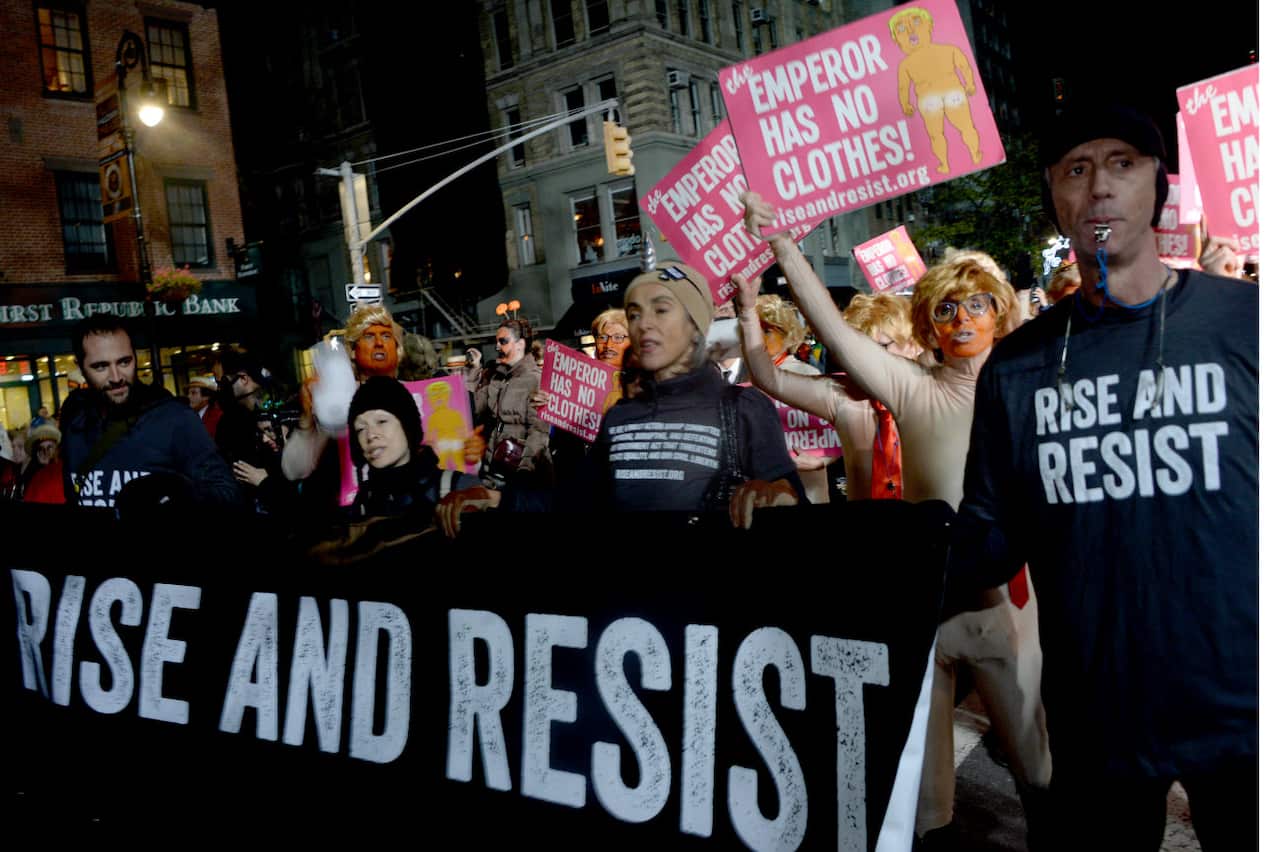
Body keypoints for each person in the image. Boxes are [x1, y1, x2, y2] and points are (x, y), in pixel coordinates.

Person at [954, 103, 1258, 851]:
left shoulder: (1249, 322)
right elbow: (990, 537)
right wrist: (876, 559)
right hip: (1100, 714)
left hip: (1248, 707)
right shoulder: (1017, 363)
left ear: (1159, 182)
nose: (1099, 189)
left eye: (1122, 163)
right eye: (1076, 169)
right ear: (1055, 196)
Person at [741, 191, 1049, 846]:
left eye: (977, 304)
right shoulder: (911, 387)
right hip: (921, 612)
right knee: (926, 805)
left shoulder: (1028, 383)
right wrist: (786, 249)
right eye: (945, 308)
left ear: (1001, 312)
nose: (962, 318)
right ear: (928, 322)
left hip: (1005, 610)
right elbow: (833, 332)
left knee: (1041, 774)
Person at [437, 261, 805, 535]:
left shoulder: (743, 409)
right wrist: (497, 500)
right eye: (635, 313)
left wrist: (775, 493)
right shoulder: (622, 418)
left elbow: (794, 501)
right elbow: (575, 503)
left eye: (662, 310)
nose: (644, 323)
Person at [740, 287, 920, 502]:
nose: (871, 361)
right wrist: (748, 311)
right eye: (861, 351)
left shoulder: (938, 395)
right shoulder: (842, 396)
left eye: (881, 347)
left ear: (913, 345)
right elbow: (768, 378)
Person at [59, 314, 239, 509]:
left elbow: (229, 496)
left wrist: (176, 495)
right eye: (101, 366)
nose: (117, 377)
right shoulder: (74, 422)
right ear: (80, 367)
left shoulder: (174, 418)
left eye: (124, 362)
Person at [347, 376, 481, 518]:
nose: (370, 435)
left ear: (408, 426)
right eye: (360, 429)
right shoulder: (365, 498)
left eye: (381, 421)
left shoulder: (457, 487)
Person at [747, 293, 834, 503]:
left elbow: (837, 431)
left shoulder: (807, 375)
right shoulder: (747, 378)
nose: (759, 338)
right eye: (753, 331)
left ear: (787, 335)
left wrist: (822, 460)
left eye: (767, 331)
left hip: (806, 484)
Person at [473, 317, 551, 489]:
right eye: (497, 342)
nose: (497, 347)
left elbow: (538, 432)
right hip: (494, 466)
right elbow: (477, 410)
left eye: (503, 341)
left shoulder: (535, 380)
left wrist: (525, 469)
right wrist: (475, 374)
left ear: (520, 344)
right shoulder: (496, 377)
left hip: (521, 471)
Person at [186, 375, 222, 439]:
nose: (189, 396)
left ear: (206, 397)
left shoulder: (217, 416)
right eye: (188, 393)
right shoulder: (189, 416)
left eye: (193, 393)